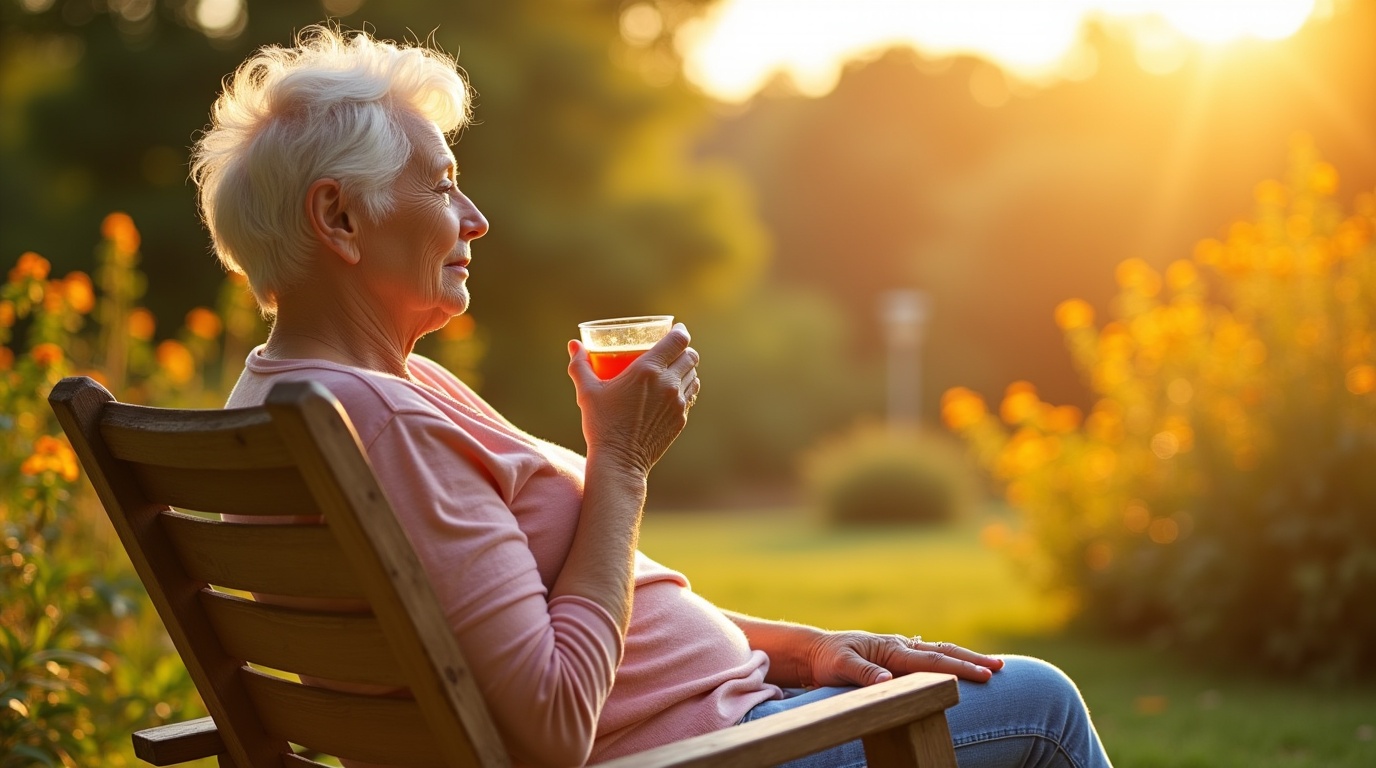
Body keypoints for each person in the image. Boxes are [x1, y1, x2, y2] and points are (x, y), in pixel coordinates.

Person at [191, 24, 1113, 768]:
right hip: (707, 749)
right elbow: (550, 724)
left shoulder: (293, 403)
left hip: (719, 713)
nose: (476, 219)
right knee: (1040, 706)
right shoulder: (379, 421)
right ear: (339, 219)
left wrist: (804, 648)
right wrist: (620, 461)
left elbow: (534, 627)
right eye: (442, 186)